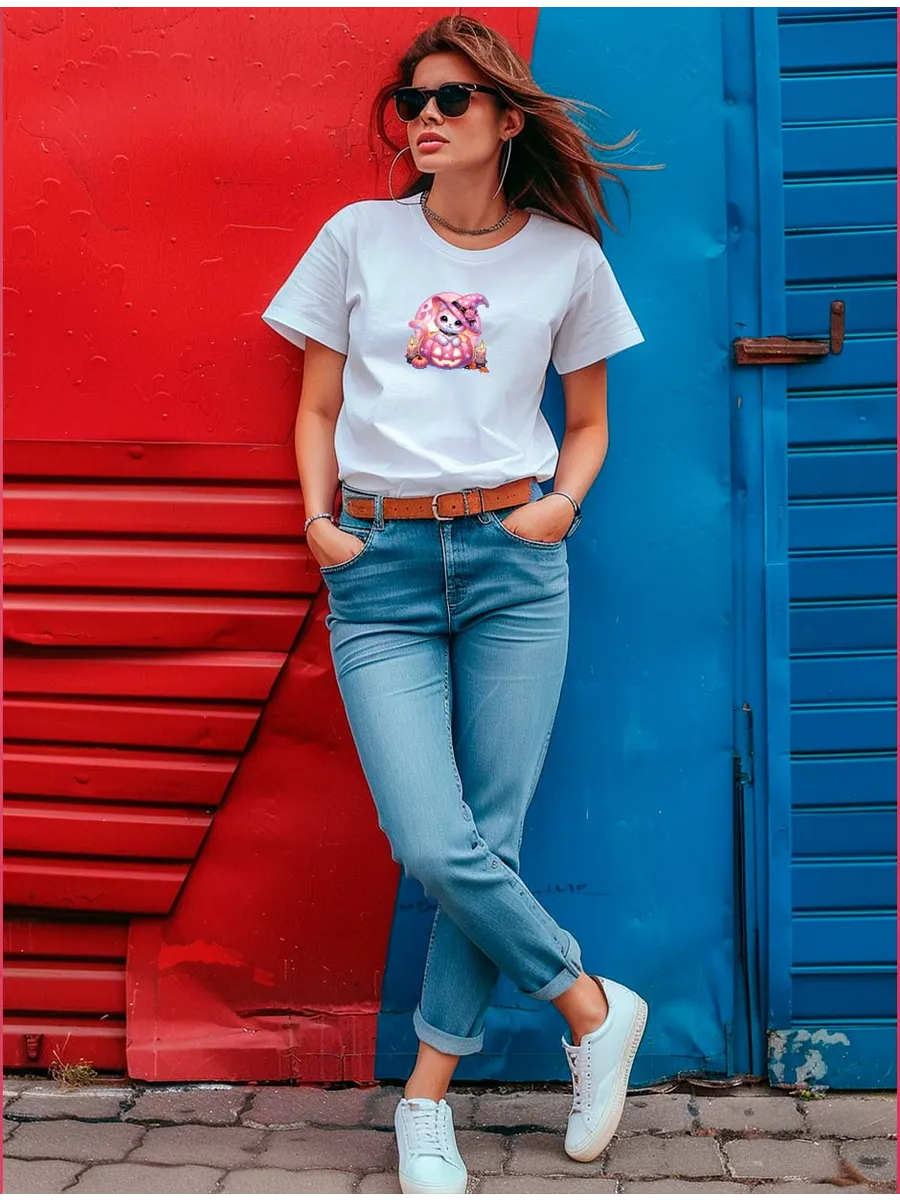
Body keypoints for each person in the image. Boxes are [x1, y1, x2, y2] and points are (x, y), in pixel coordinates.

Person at [262, 14, 652, 1196]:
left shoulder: (567, 259)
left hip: (511, 563)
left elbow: (589, 421)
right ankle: (592, 1005)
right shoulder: (359, 237)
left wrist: (561, 506)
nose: (423, 119)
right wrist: (318, 521)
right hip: (377, 564)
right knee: (435, 841)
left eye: (450, 100)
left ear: (506, 120)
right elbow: (317, 404)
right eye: (411, 102)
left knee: (491, 834)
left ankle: (425, 1104)